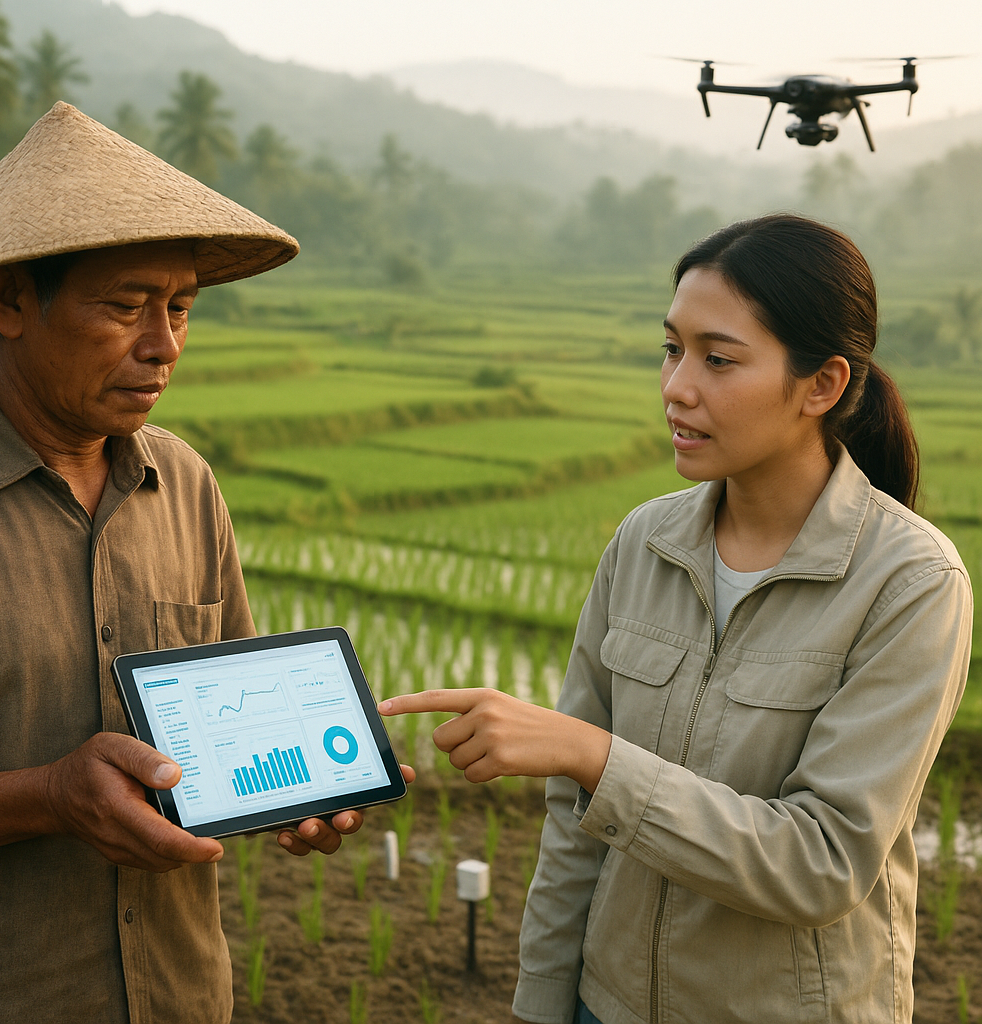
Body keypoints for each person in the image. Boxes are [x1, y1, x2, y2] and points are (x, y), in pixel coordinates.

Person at [380, 214, 973, 1024]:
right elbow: (572, 822)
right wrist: (544, 1001)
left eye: (718, 359)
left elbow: (823, 862)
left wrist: (596, 756)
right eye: (672, 349)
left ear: (822, 385)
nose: (676, 387)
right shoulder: (645, 543)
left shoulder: (909, 581)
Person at [0, 102, 411, 1024]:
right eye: (126, 307)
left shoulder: (186, 481)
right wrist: (47, 795)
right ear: (11, 301)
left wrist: (296, 788)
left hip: (180, 991)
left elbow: (225, 724)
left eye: (180, 309)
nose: (163, 344)